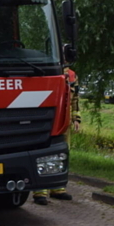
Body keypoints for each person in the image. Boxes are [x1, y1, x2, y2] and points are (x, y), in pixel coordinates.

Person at [34, 67, 81, 205]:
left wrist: (76, 118)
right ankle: (39, 191)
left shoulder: (72, 75)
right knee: (42, 151)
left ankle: (58, 188)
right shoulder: (45, 70)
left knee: (63, 152)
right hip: (46, 118)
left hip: (63, 120)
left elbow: (75, 99)